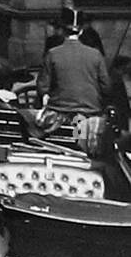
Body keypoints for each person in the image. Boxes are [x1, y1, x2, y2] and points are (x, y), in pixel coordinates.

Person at [37, 10, 118, 154]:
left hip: (59, 113)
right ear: (80, 32)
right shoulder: (96, 55)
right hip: (90, 113)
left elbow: (42, 87)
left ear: (62, 31)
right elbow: (107, 88)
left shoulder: (53, 53)